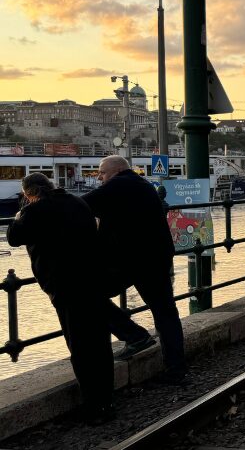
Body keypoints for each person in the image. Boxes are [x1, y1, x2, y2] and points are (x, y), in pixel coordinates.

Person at [7, 173, 115, 423]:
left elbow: (14, 237)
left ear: (29, 193)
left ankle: (94, 406)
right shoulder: (77, 202)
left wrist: (21, 211)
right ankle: (107, 399)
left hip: (65, 286)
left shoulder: (35, 211)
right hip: (94, 280)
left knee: (79, 347)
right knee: (100, 343)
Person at [83, 156, 186, 383]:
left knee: (87, 295)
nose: (99, 177)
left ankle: (134, 335)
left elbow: (81, 205)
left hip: (129, 260)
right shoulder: (144, 185)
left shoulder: (117, 185)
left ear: (118, 170)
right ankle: (176, 369)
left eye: (102, 172)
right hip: (156, 258)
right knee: (165, 313)